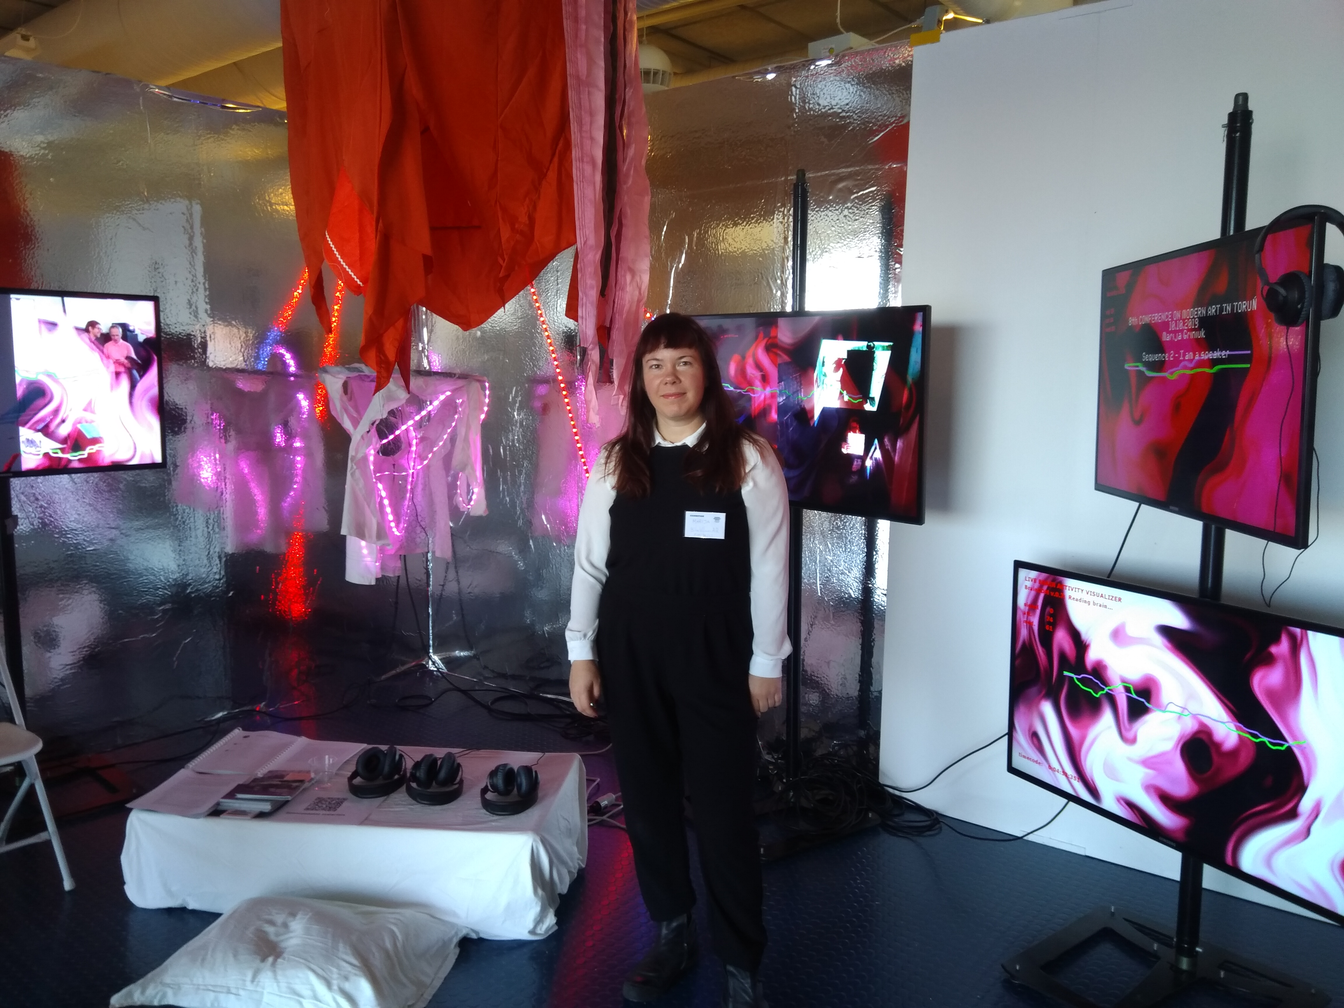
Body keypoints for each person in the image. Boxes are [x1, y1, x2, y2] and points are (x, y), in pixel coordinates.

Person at [568, 313, 790, 1008]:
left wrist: (768, 660)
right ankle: (673, 932)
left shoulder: (747, 458)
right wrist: (580, 651)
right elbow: (589, 565)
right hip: (630, 655)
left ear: (706, 374)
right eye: (656, 364)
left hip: (716, 658)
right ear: (640, 380)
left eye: (684, 362)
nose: (670, 377)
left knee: (724, 814)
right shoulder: (617, 462)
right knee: (648, 805)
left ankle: (741, 963)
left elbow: (771, 568)